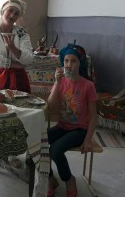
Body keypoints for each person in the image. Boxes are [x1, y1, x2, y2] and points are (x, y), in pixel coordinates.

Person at [46, 44, 98, 197]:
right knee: (36, 143)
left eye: (73, 61)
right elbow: (50, 105)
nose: (69, 64)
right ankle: (50, 179)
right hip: (62, 126)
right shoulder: (61, 81)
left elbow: (93, 115)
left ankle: (69, 180)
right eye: (66, 61)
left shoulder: (88, 86)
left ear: (80, 63)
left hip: (79, 130)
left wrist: (88, 140)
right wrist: (57, 82)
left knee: (54, 150)